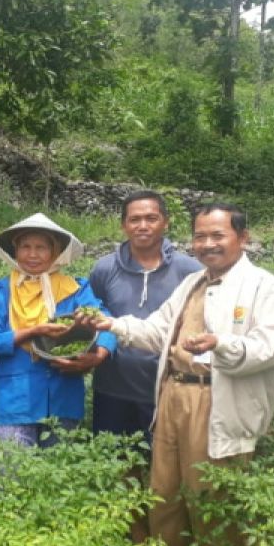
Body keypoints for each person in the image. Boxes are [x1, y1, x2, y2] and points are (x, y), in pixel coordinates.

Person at [79, 203, 274, 546]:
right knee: (166, 493)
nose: (207, 245)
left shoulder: (262, 286)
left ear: (242, 238)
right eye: (201, 237)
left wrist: (221, 345)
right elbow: (156, 330)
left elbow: (270, 348)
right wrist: (111, 324)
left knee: (212, 497)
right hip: (173, 395)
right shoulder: (193, 282)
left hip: (216, 400)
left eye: (218, 236)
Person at [0, 213, 115, 447]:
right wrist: (31, 332)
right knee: (12, 476)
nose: (32, 254)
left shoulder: (75, 289)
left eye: (41, 247)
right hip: (14, 400)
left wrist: (99, 355)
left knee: (59, 474)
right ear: (15, 251)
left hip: (64, 396)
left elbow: (105, 322)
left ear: (55, 252)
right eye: (25, 247)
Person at [88, 190, 200, 446]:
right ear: (123, 225)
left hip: (167, 386)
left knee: (162, 466)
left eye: (151, 218)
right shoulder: (104, 269)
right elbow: (97, 318)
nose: (143, 226)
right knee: (114, 464)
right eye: (134, 219)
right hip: (112, 387)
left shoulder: (190, 271)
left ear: (166, 222)